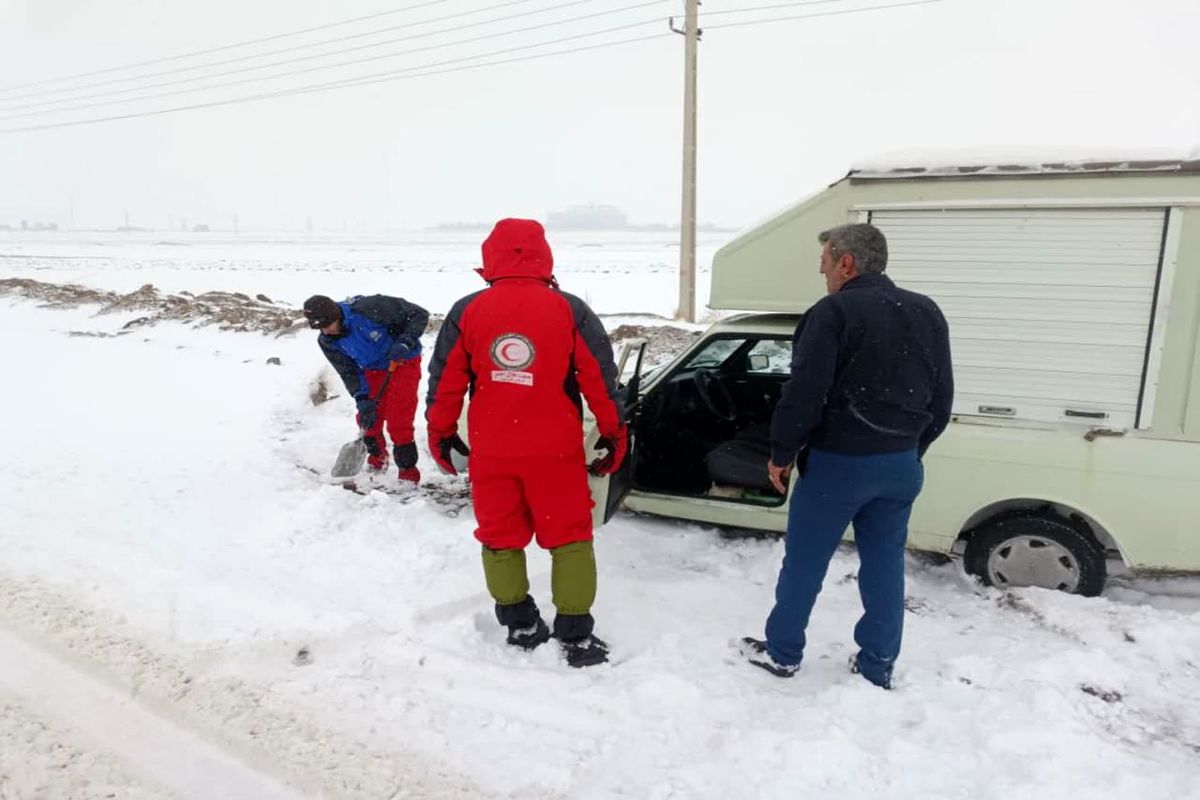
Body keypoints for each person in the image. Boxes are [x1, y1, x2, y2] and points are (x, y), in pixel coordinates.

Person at [739, 223, 954, 689]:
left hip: (839, 464)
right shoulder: (927, 311)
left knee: (805, 563)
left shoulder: (833, 312)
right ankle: (877, 664)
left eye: (824, 264)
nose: (823, 274)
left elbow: (805, 393)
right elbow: (942, 398)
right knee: (884, 565)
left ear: (846, 262)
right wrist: (912, 448)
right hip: (900, 465)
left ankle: (783, 653)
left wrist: (782, 451)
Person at [425, 218, 627, 668]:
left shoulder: (467, 311)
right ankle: (575, 636)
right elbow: (600, 380)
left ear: (491, 256)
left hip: (492, 450)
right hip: (554, 452)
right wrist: (615, 433)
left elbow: (444, 384)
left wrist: (440, 433)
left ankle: (520, 623)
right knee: (570, 537)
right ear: (543, 255)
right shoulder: (570, 310)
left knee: (500, 537)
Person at [303, 293, 429, 484]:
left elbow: (419, 314)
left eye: (327, 325)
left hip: (403, 361)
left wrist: (406, 340)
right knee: (367, 418)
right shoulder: (327, 341)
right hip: (372, 368)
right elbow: (349, 372)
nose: (325, 331)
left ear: (337, 316)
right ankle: (377, 458)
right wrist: (362, 397)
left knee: (398, 419)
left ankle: (408, 473)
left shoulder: (369, 308)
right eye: (320, 328)